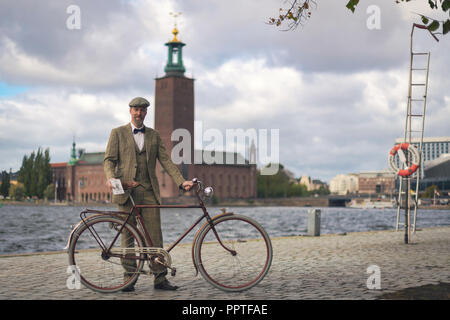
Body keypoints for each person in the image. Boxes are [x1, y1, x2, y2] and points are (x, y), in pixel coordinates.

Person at [104, 96, 193, 292]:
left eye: (142, 110)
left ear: (146, 112)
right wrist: (111, 178)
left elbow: (167, 162)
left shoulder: (154, 135)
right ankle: (129, 279)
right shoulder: (117, 133)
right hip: (126, 193)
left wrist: (181, 182)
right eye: (136, 109)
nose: (139, 113)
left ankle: (160, 279)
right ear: (130, 111)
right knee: (127, 236)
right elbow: (109, 160)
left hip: (149, 192)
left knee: (155, 238)